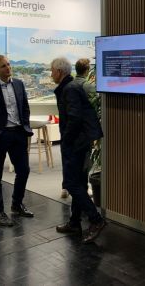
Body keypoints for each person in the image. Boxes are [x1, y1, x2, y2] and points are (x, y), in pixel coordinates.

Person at [51, 57, 106, 243]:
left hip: (75, 144)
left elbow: (74, 118)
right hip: (80, 142)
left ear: (59, 72)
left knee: (71, 183)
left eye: (52, 71)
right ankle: (75, 222)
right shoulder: (71, 87)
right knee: (79, 182)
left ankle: (96, 220)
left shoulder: (69, 89)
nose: (51, 74)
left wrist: (66, 140)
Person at [0, 55, 34, 227]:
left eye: (9, 64)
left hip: (18, 133)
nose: (8, 68)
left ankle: (17, 204)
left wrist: (25, 125)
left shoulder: (19, 84)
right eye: (3, 66)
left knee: (23, 170)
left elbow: (25, 107)